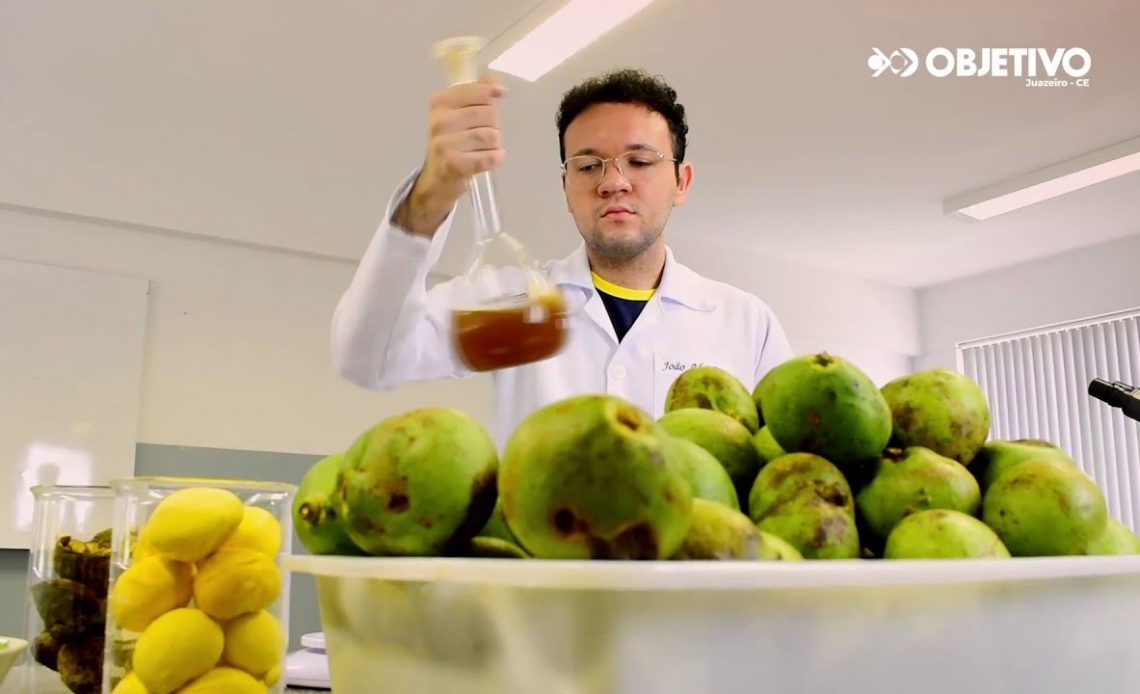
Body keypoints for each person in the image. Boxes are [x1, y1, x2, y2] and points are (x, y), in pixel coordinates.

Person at [332, 67, 793, 445]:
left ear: (682, 182)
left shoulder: (746, 322)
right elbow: (368, 357)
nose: (613, 182)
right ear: (566, 188)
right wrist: (432, 193)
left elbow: (785, 460)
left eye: (640, 161)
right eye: (589, 166)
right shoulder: (511, 299)